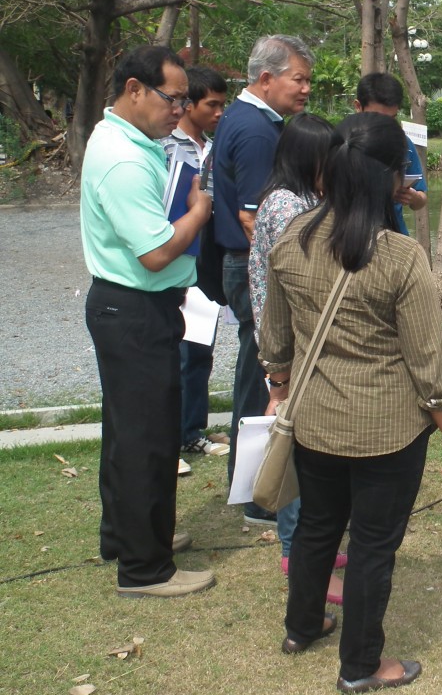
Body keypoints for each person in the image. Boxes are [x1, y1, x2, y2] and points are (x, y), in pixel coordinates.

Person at [258, 112, 442, 691]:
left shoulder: (291, 239)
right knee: (374, 545)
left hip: (315, 423)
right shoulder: (400, 257)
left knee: (318, 529)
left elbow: (274, 340)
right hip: (387, 433)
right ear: (391, 180)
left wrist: (279, 385)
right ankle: (361, 667)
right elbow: (430, 367)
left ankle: (302, 627)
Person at [80, 45, 214, 597]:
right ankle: (143, 569)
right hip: (133, 308)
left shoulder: (129, 139)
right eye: (172, 98)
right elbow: (156, 253)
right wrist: (200, 212)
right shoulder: (126, 159)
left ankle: (129, 535)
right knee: (148, 439)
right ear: (135, 89)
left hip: (131, 307)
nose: (179, 110)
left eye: (184, 99)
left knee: (128, 432)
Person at [213, 34, 314, 526]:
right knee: (267, 380)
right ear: (267, 77)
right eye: (299, 79)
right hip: (256, 268)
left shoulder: (248, 119)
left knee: (257, 378)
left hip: (247, 264)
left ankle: (256, 487)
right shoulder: (255, 130)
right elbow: (257, 218)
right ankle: (260, 494)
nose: (306, 89)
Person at [247, 113, 346, 605]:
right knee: (293, 446)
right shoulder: (287, 205)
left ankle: (314, 546)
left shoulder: (306, 198)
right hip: (289, 343)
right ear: (312, 157)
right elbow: (296, 281)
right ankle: (296, 551)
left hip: (301, 341)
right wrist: (278, 374)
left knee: (309, 450)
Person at [160, 65, 229, 476]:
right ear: (188, 105)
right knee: (174, 351)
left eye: (223, 105)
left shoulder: (215, 147)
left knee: (200, 349)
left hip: (209, 259)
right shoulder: (166, 146)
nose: (219, 112)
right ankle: (168, 442)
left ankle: (192, 430)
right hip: (176, 253)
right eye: (211, 105)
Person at [353, 73, 427, 236]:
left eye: (391, 119)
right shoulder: (343, 143)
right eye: (377, 117)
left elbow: (421, 197)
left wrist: (413, 198)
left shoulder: (404, 144)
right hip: (353, 238)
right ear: (358, 107)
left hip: (394, 237)